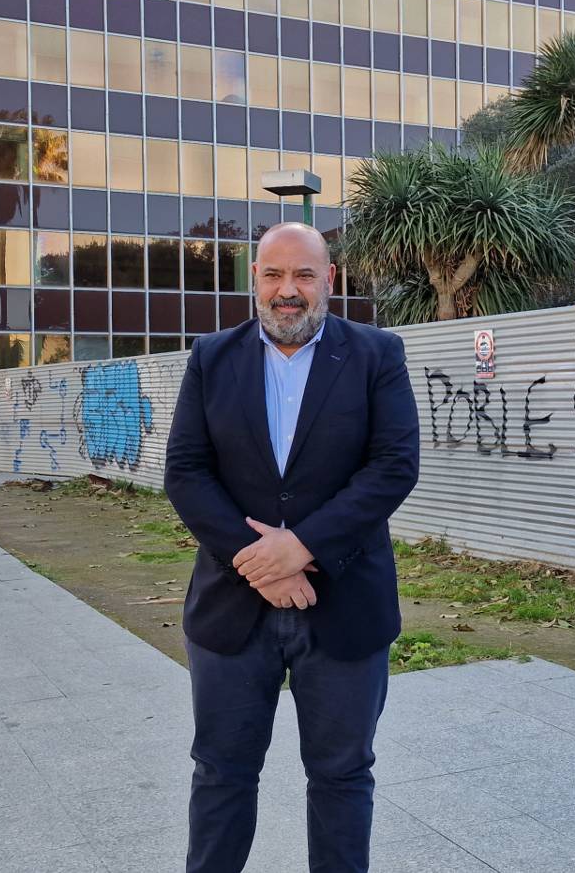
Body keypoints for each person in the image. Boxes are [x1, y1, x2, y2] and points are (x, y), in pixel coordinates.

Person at [164, 221, 420, 873]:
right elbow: (186, 471)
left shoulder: (376, 354)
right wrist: (261, 564)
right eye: (274, 274)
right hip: (231, 608)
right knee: (221, 772)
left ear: (329, 279)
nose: (288, 289)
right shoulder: (210, 358)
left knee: (341, 776)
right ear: (255, 279)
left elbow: (393, 465)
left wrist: (301, 546)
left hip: (345, 608)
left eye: (304, 274)